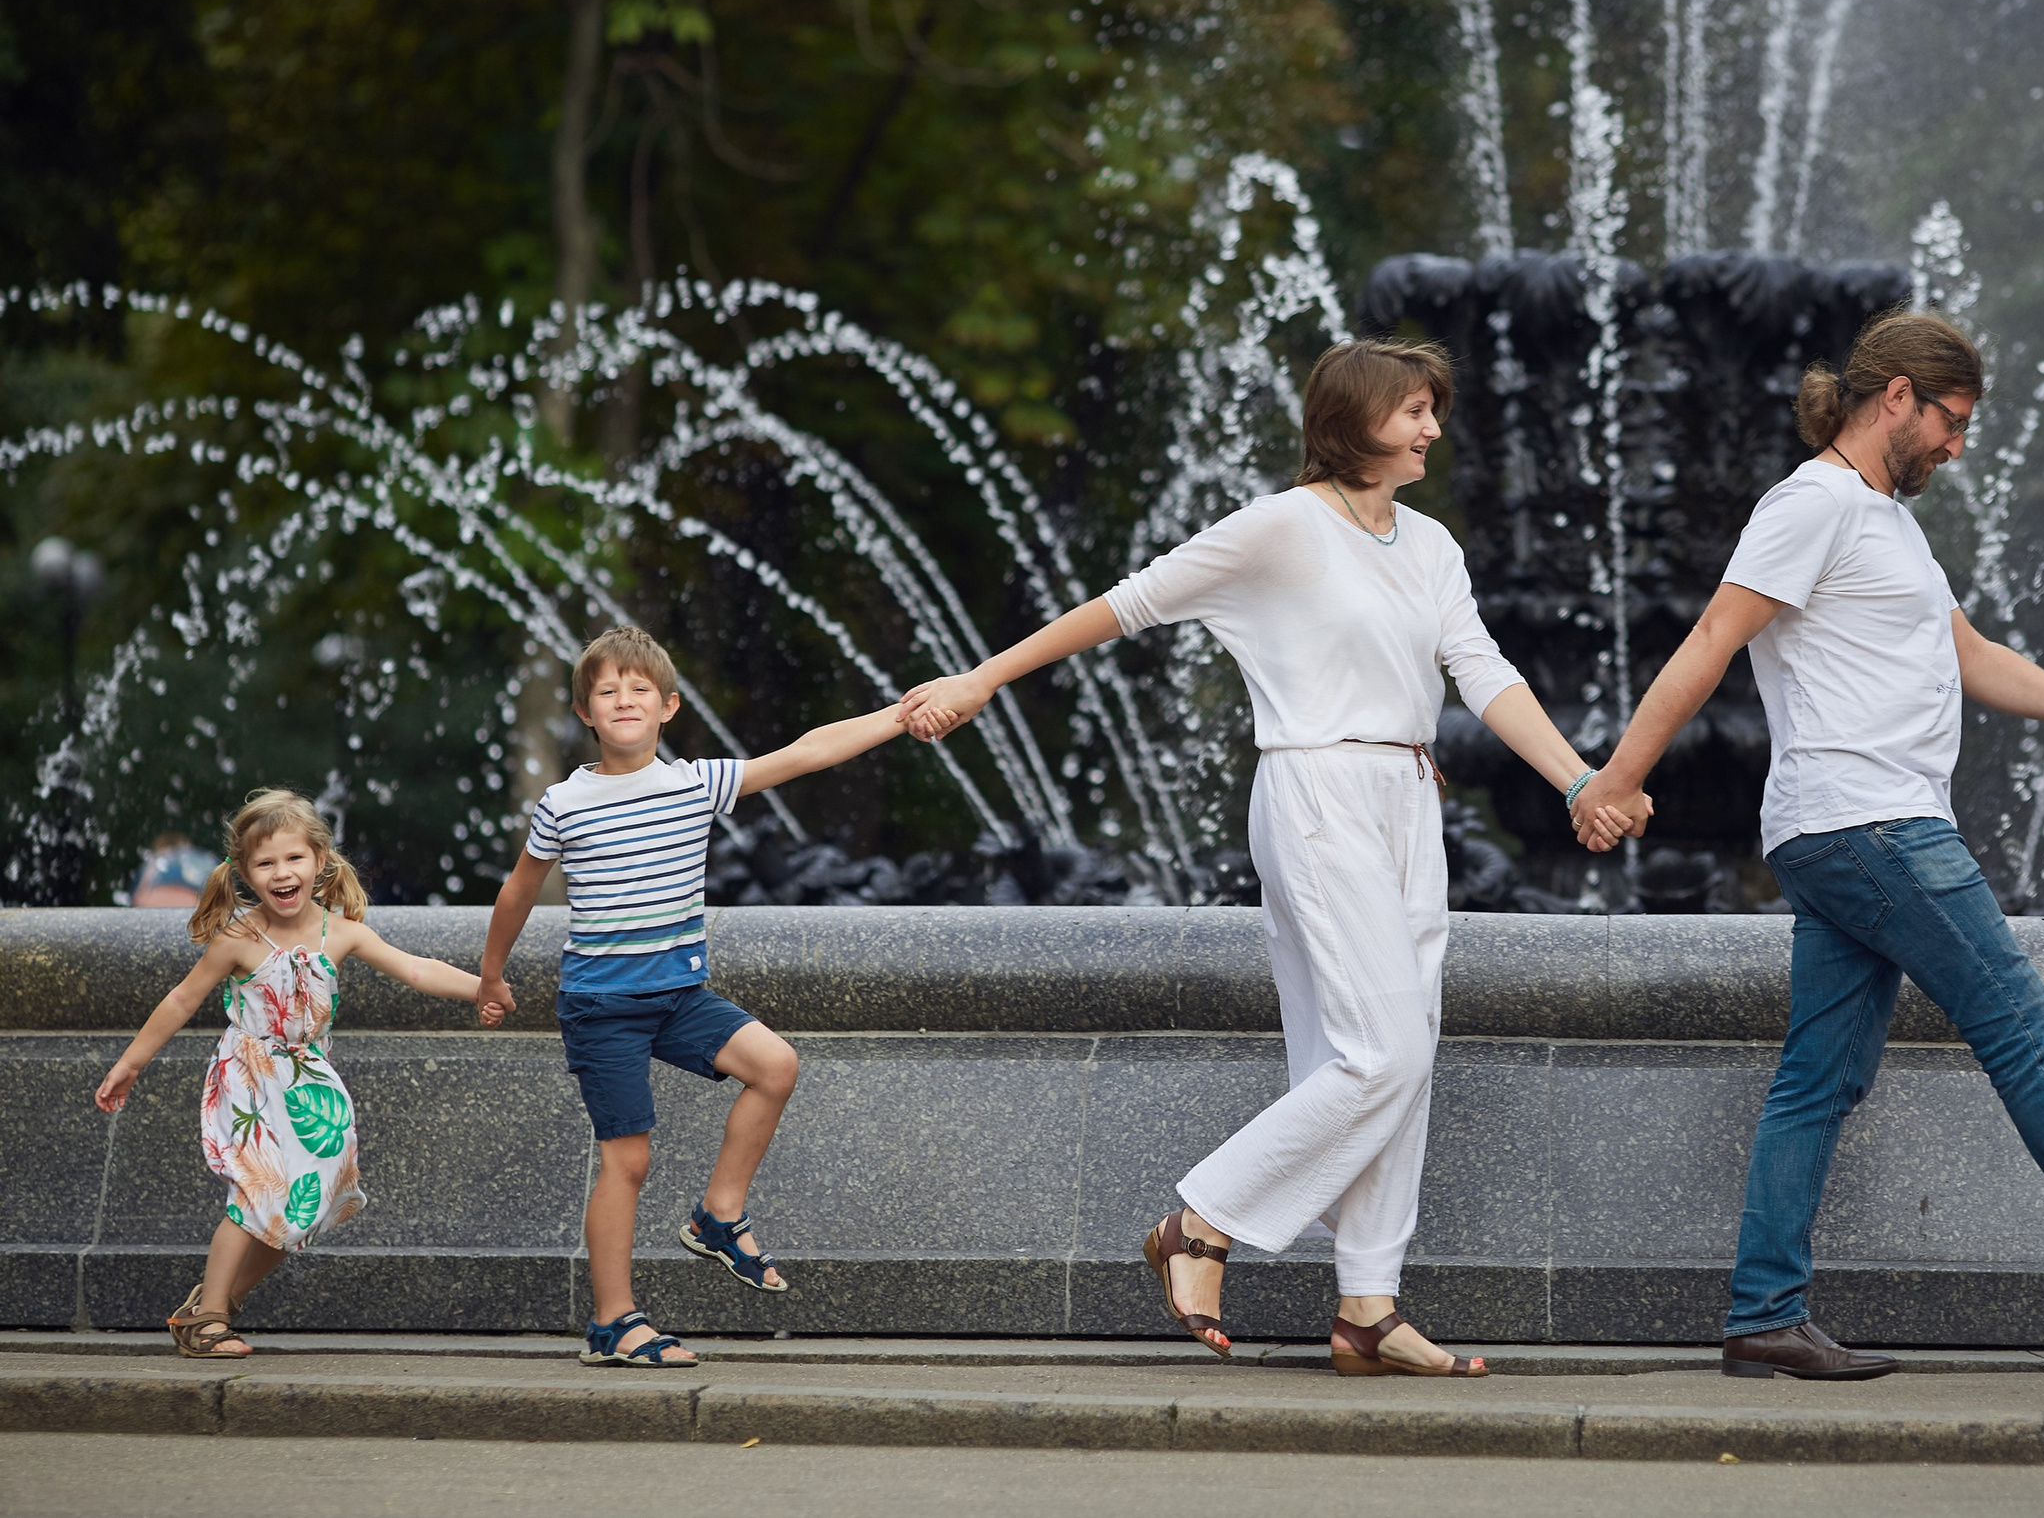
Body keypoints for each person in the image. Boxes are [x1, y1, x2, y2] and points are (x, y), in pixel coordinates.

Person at [902, 338, 1640, 1378]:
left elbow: (1482, 671)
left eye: (1433, 409)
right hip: (1317, 788)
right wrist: (981, 679)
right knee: (1382, 1051)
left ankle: (1367, 1308)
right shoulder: (1281, 526)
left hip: (1407, 795)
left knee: (1405, 1051)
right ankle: (1200, 1221)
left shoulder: (1430, 544)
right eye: (1413, 410)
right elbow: (1129, 602)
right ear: (1354, 419)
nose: (1432, 428)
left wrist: (1578, 781)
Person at [1573, 310, 2044, 1381]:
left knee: (1818, 1078)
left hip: (1845, 826)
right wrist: (1618, 777)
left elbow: (1969, 652)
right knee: (2018, 1020)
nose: (1957, 445)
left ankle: (1764, 1315)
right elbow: (1712, 637)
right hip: (1870, 820)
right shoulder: (1812, 503)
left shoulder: (1886, 520)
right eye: (1952, 420)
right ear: (1896, 395)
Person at [475, 625, 910, 1368]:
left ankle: (718, 1214)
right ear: (584, 711)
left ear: (668, 706)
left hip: (679, 995)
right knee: (628, 1160)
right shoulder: (564, 802)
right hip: (602, 1007)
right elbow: (518, 890)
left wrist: (899, 715)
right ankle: (614, 1324)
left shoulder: (694, 783)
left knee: (775, 1065)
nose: (624, 699)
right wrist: (491, 974)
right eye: (607, 690)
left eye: (639, 688)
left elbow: (806, 752)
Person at [93, 788, 493, 1358]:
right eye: (266, 863)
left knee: (310, 1201)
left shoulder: (342, 931)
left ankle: (215, 1302)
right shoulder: (239, 938)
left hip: (308, 1079)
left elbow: (416, 969)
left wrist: (484, 988)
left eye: (294, 858)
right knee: (257, 1189)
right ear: (244, 873)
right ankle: (210, 1321)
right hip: (248, 1075)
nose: (282, 872)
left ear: (320, 860)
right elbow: (181, 1000)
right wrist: (130, 1064)